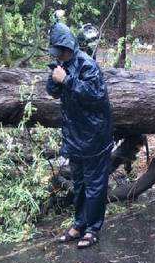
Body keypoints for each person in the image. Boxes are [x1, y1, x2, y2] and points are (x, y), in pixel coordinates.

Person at [47, 22, 113, 249]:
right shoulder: (61, 63)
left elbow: (95, 95)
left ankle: (93, 228)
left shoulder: (87, 65)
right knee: (80, 183)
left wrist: (66, 80)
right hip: (74, 135)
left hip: (95, 134)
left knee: (95, 184)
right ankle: (79, 223)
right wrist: (55, 77)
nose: (61, 55)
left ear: (70, 47)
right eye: (58, 52)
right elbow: (53, 91)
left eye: (63, 51)